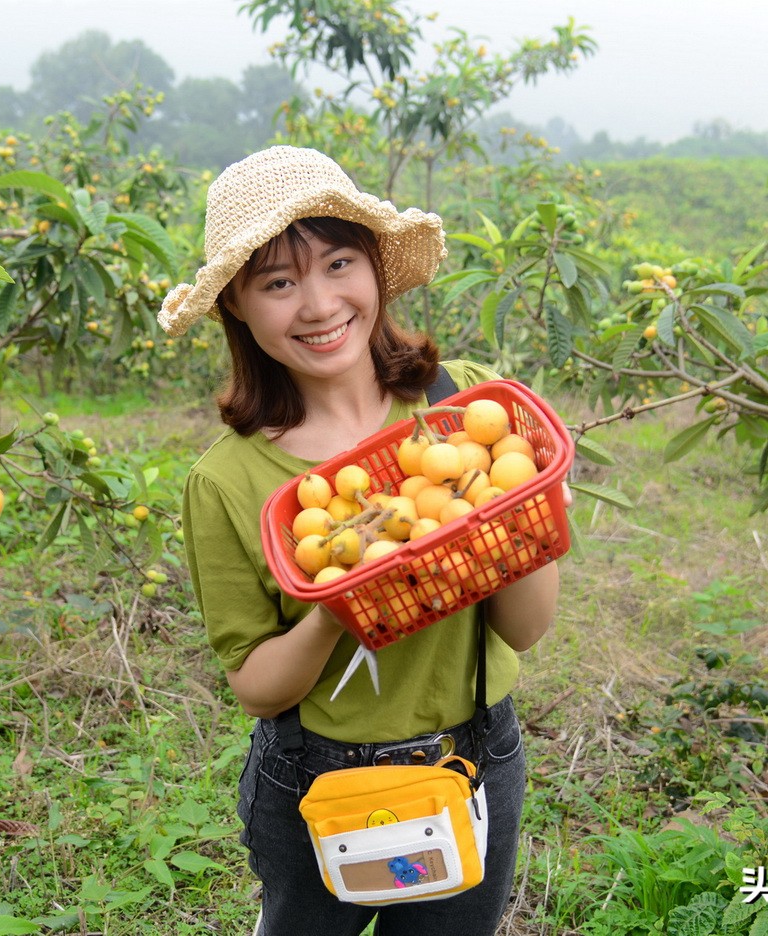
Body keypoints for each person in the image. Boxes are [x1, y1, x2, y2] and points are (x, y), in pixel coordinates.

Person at [158, 146, 561, 935]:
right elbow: (257, 685)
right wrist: (332, 610)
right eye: (278, 281)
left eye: (339, 263)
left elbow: (525, 628)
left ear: (375, 266)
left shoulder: (458, 411)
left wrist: (528, 516)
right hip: (314, 780)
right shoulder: (230, 481)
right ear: (238, 306)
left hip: (472, 759)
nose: (317, 304)